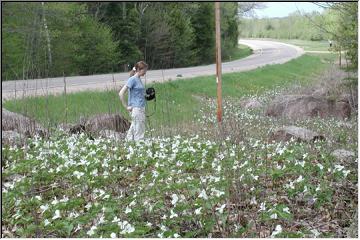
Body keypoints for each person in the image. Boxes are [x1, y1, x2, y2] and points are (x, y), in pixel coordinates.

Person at [119, 61, 148, 141]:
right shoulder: (132, 79)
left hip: (141, 107)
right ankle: (139, 145)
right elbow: (121, 93)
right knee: (139, 129)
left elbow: (138, 94)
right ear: (139, 69)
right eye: (144, 70)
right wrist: (126, 106)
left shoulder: (138, 79)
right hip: (136, 108)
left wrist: (147, 95)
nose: (145, 72)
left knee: (134, 128)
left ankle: (128, 143)